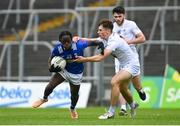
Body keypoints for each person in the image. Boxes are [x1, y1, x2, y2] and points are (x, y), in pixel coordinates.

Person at [74, 19, 139, 119]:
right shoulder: (105, 38)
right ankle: (133, 105)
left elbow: (101, 57)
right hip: (123, 64)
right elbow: (91, 40)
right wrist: (79, 38)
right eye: (98, 30)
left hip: (132, 64)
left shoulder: (114, 40)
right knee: (123, 88)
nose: (98, 32)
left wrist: (84, 59)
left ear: (108, 31)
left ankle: (111, 113)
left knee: (114, 82)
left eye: (100, 30)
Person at [32, 30, 104, 119]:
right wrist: (50, 67)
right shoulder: (57, 49)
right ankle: (44, 98)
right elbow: (50, 59)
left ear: (71, 40)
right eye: (64, 42)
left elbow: (90, 42)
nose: (66, 44)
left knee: (74, 95)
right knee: (50, 86)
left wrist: (99, 43)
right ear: (60, 42)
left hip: (76, 73)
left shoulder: (79, 45)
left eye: (68, 42)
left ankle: (72, 108)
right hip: (64, 71)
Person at [112, 6, 146, 116]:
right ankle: (123, 108)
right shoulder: (112, 27)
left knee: (136, 85)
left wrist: (129, 41)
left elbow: (142, 38)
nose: (117, 18)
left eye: (119, 16)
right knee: (119, 83)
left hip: (131, 58)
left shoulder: (131, 24)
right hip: (119, 58)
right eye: (115, 17)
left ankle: (140, 90)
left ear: (124, 15)